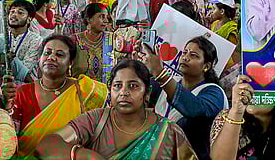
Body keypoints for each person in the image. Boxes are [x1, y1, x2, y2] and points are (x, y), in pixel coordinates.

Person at [35, 59, 197, 159]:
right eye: (117, 86)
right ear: (110, 91)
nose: (124, 92)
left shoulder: (168, 132)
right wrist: (84, 156)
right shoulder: (97, 119)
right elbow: (46, 145)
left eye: (133, 86)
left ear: (147, 93)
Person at [10, 34, 107, 157]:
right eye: (47, 53)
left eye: (59, 55)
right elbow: (10, 139)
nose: (51, 57)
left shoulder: (84, 90)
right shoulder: (21, 93)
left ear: (70, 62)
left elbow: (99, 133)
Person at [140, 36, 229, 160]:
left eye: (193, 55)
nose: (185, 57)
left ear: (206, 66)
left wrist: (160, 73)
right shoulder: (171, 82)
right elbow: (139, 93)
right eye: (184, 52)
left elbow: (195, 109)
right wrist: (139, 67)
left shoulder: (214, 92)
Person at [71, 3, 109, 82]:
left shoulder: (111, 40)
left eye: (106, 17)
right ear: (89, 19)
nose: (106, 21)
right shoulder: (74, 40)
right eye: (102, 17)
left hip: (105, 92)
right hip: (79, 92)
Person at [7, 0, 42, 70]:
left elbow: (26, 68)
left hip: (27, 80)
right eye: (12, 11)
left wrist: (11, 60)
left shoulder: (36, 40)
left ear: (29, 19)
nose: (14, 15)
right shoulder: (1, 38)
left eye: (20, 13)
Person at [209, 0, 239, 70]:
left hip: (225, 67)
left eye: (214, 9)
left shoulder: (232, 29)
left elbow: (233, 54)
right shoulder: (214, 24)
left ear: (222, 11)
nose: (211, 12)